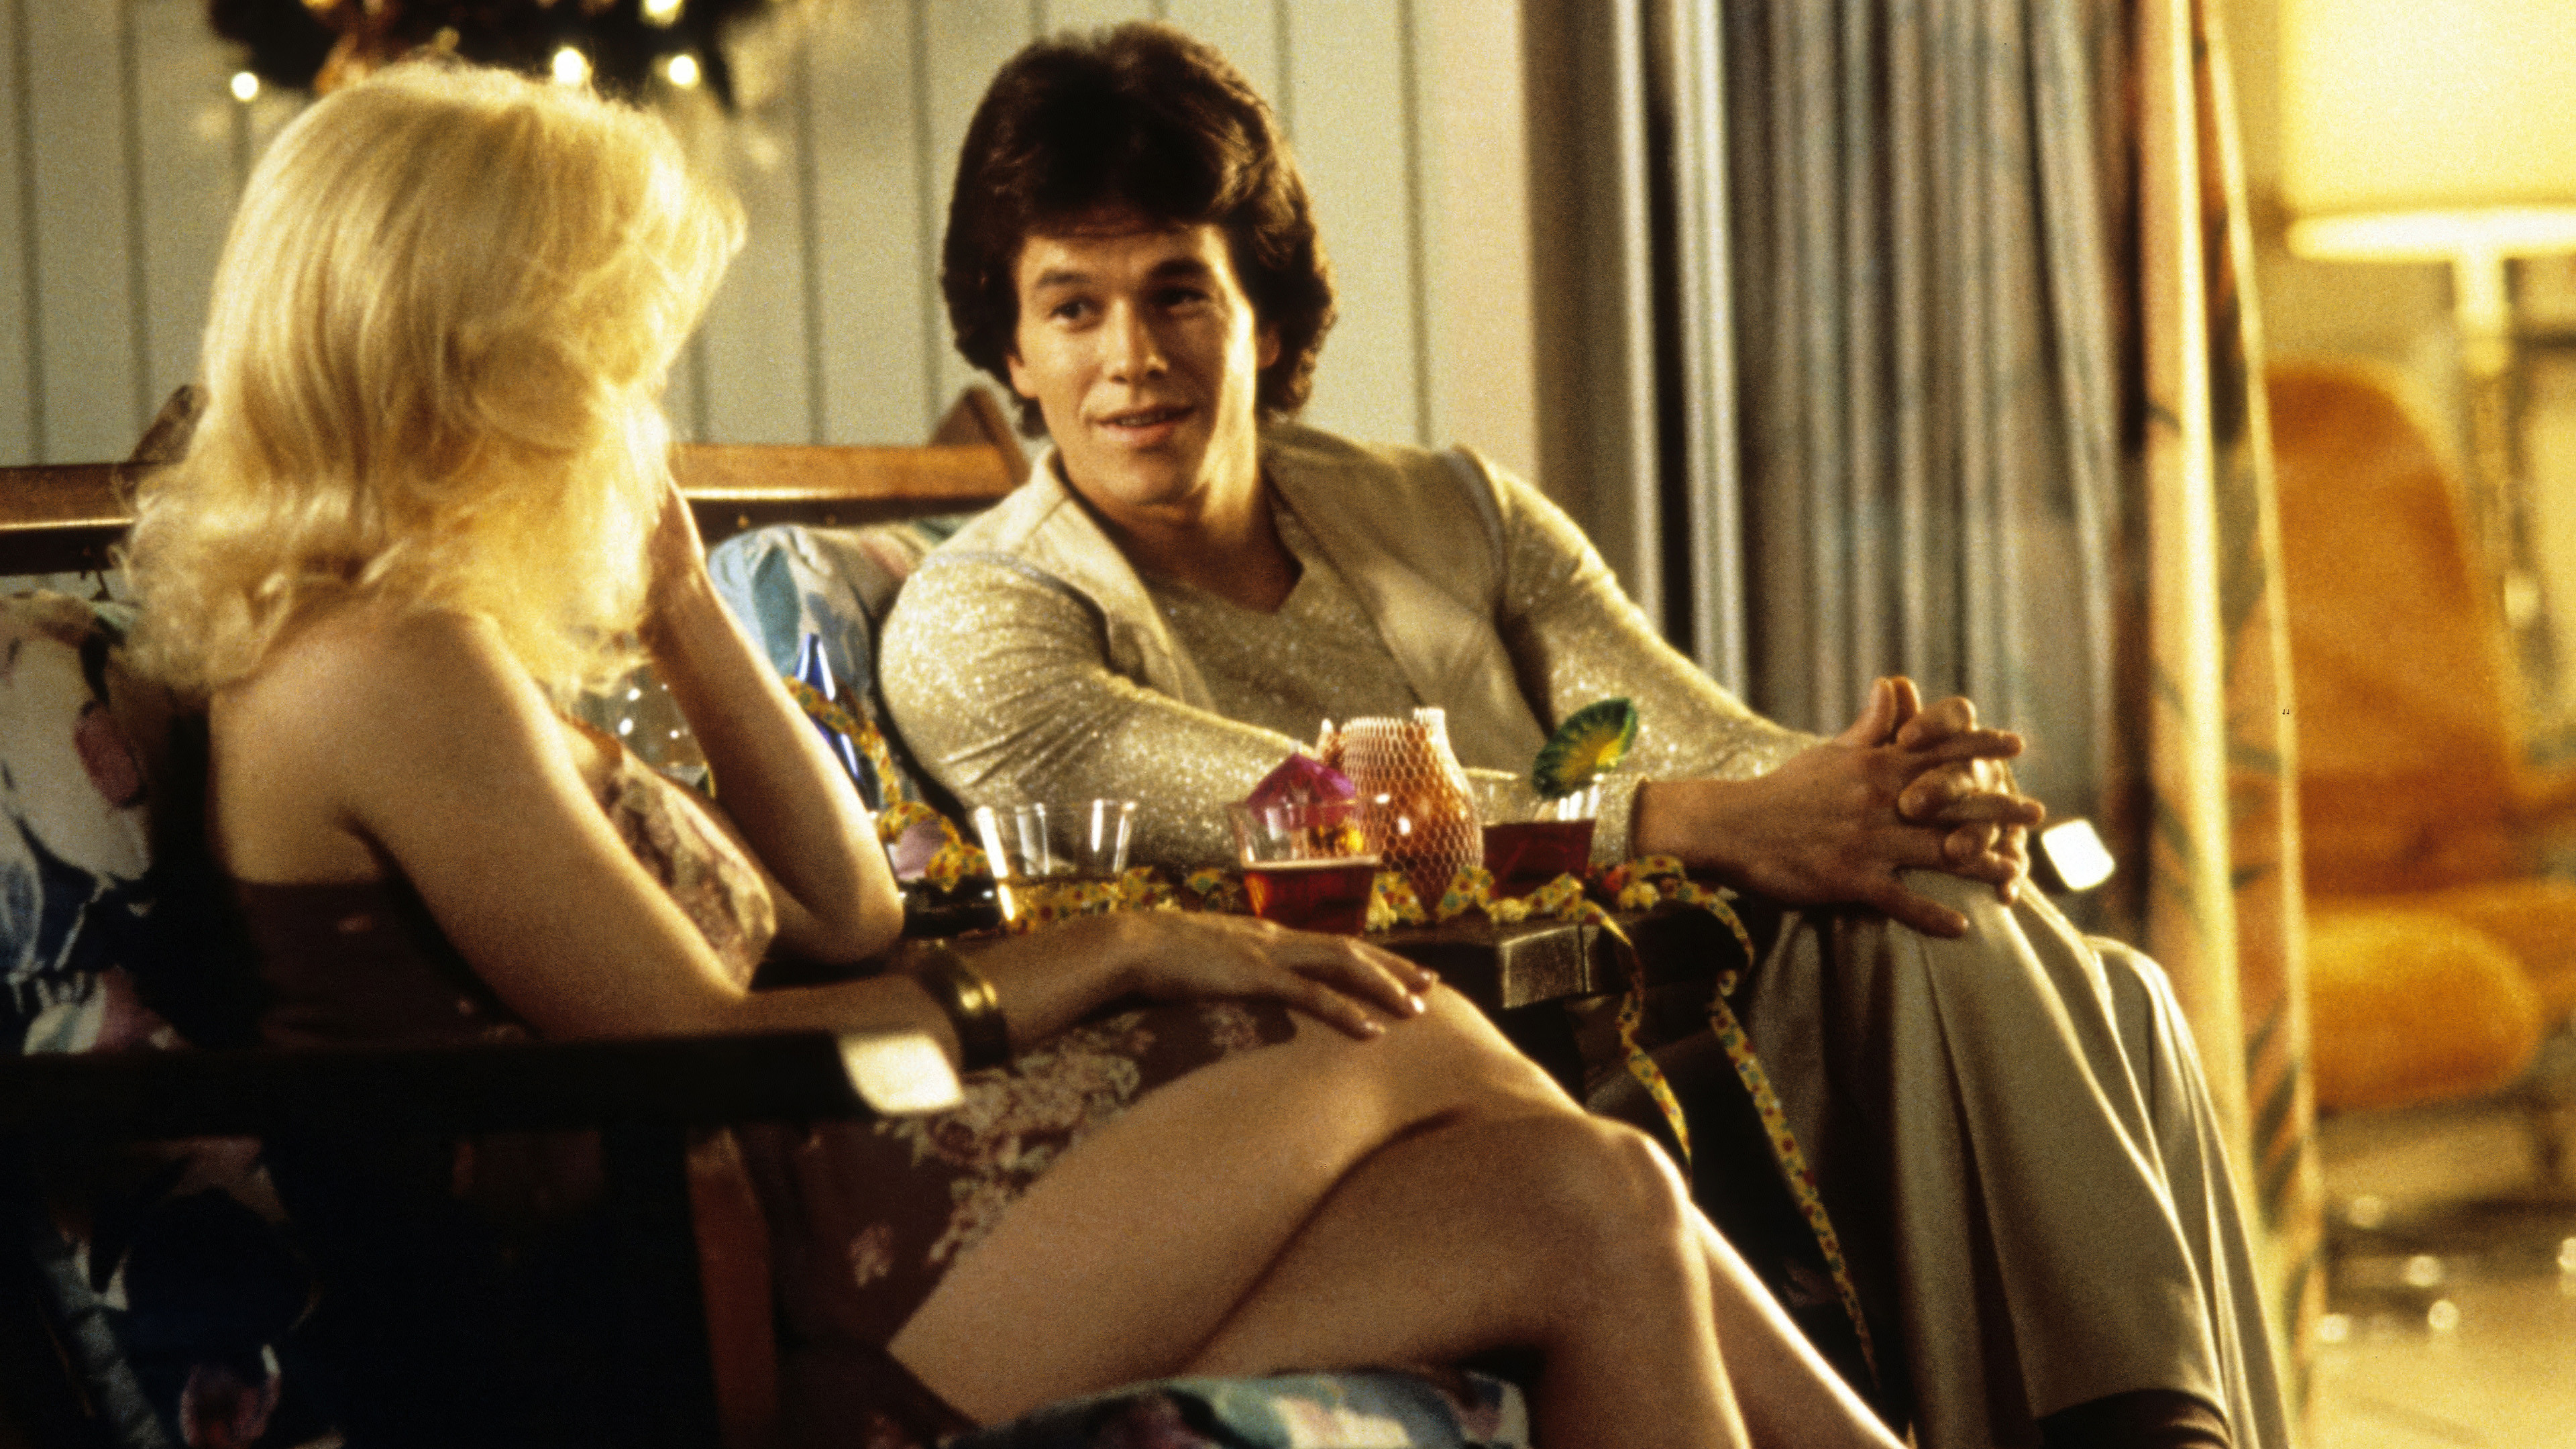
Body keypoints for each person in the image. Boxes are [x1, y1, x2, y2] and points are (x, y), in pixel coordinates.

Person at [121, 58, 1912, 1449]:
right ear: (473, 347)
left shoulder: (434, 632)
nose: (630, 395)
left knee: (1595, 1198)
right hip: (691, 1327)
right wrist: (1117, 949)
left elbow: (835, 913)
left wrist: (676, 600)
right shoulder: (385, 667)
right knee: (1401, 1021)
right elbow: (714, 1052)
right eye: (605, 352)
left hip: (797, 1232)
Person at [877, 22, 2288, 1449]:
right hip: (1413, 1101)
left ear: (1268, 318)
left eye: (1179, 293)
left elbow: (1697, 737)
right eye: (1074, 309)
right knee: (1999, 957)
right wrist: (1683, 819)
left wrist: (1875, 792)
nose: (1129, 359)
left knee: (1982, 918)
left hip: (1660, 1018)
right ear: (1013, 345)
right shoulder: (977, 623)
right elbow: (1302, 801)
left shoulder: (1452, 510)